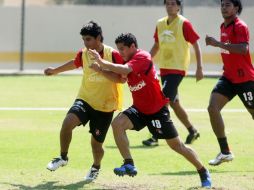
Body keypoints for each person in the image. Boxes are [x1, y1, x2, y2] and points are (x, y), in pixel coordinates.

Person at [88, 33, 212, 188]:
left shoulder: (143, 57)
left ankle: (202, 171)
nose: (120, 53)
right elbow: (119, 78)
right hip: (139, 109)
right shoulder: (127, 60)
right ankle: (129, 164)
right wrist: (100, 70)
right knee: (117, 124)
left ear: (133, 46)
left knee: (177, 146)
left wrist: (101, 61)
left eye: (123, 49)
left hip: (157, 111)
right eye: (118, 49)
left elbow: (125, 69)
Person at [44, 21, 124, 183]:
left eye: (88, 39)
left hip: (105, 106)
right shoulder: (83, 53)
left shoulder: (113, 55)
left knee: (96, 145)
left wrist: (101, 70)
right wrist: (55, 71)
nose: (85, 43)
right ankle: (63, 157)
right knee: (67, 123)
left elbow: (121, 79)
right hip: (85, 99)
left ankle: (96, 167)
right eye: (83, 40)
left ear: (98, 38)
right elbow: (74, 63)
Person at [142, 0, 203, 147]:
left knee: (162, 100)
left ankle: (156, 135)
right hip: (164, 68)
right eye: (167, 3)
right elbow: (157, 45)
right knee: (174, 103)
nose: (169, 6)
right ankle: (192, 130)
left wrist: (199, 67)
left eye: (173, 4)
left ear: (178, 7)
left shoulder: (184, 23)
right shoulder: (160, 23)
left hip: (178, 68)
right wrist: (145, 62)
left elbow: (195, 43)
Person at [206, 0, 254, 166]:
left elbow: (243, 49)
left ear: (236, 8)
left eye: (228, 4)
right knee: (212, 108)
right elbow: (229, 50)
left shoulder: (240, 26)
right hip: (228, 77)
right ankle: (225, 151)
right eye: (222, 4)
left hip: (245, 79)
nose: (224, 7)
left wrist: (217, 44)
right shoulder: (223, 26)